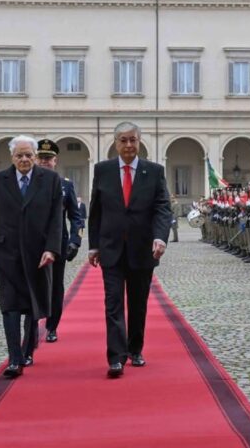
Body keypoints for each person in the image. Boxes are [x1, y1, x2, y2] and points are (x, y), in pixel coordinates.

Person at [88, 121, 172, 378]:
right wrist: (93, 245)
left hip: (142, 249)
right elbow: (96, 210)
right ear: (116, 143)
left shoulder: (154, 171)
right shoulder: (102, 170)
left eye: (132, 140)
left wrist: (160, 237)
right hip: (111, 248)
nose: (128, 145)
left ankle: (135, 349)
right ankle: (115, 358)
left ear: (139, 141)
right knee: (113, 303)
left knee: (137, 304)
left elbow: (162, 207)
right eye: (123, 140)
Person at [0, 135, 63, 379]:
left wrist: (52, 249)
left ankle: (27, 351)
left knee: (32, 305)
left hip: (39, 253)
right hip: (6, 252)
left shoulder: (50, 179)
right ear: (12, 157)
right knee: (10, 306)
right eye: (19, 155)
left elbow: (56, 219)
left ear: (35, 156)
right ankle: (15, 358)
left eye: (28, 155)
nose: (24, 159)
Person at [34, 138, 84, 344]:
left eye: (49, 158)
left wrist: (75, 240)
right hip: (33, 243)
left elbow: (76, 216)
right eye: (42, 158)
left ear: (56, 160)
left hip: (58, 244)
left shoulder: (66, 185)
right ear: (36, 159)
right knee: (34, 286)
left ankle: (52, 326)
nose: (45, 161)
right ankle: (33, 324)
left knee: (55, 287)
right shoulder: (28, 183)